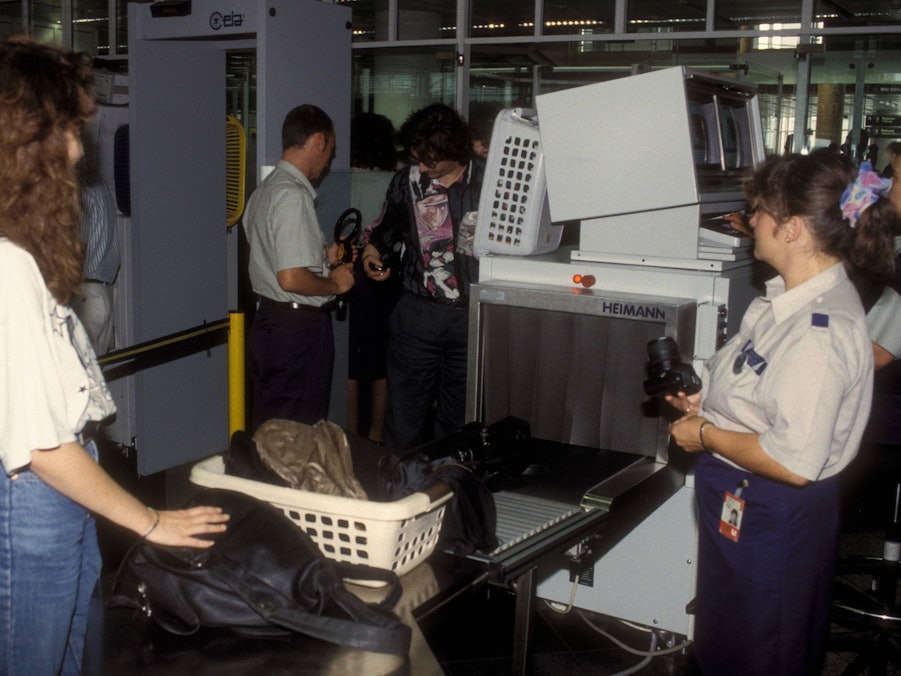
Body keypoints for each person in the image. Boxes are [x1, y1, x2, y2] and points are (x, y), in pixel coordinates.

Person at [0, 36, 229, 676]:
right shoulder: (8, 266)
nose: (78, 146)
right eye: (69, 127)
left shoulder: (19, 251)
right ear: (30, 139)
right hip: (31, 498)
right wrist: (152, 521)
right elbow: (43, 448)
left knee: (69, 652)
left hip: (50, 489)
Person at [665, 152, 896, 675]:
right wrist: (712, 406)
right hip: (746, 505)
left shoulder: (820, 331)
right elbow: (763, 392)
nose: (751, 222)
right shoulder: (783, 304)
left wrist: (705, 434)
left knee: (764, 652)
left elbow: (793, 461)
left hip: (774, 511)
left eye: (759, 212)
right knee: (731, 646)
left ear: (791, 229)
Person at [360, 103, 485, 449]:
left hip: (472, 316)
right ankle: (401, 492)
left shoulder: (488, 183)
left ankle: (451, 490)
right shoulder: (406, 183)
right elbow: (384, 230)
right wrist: (373, 252)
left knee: (460, 420)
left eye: (430, 160)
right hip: (418, 315)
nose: (422, 167)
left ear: (455, 152)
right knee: (405, 418)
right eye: (417, 158)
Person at [244, 104, 354, 432]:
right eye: (330, 150)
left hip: (269, 324)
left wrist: (323, 259)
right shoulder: (293, 196)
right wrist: (336, 283)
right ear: (318, 141)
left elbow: (274, 258)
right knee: (298, 434)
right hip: (297, 333)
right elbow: (291, 278)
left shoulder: (265, 190)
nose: (329, 160)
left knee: (271, 430)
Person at [347, 112, 401, 444]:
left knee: (352, 362)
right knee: (382, 360)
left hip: (351, 271)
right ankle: (377, 434)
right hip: (386, 274)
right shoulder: (394, 182)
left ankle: (350, 435)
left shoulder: (342, 179)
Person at [69, 129, 120, 356]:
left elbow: (79, 249)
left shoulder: (84, 192)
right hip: (101, 293)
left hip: (86, 298)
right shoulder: (99, 186)